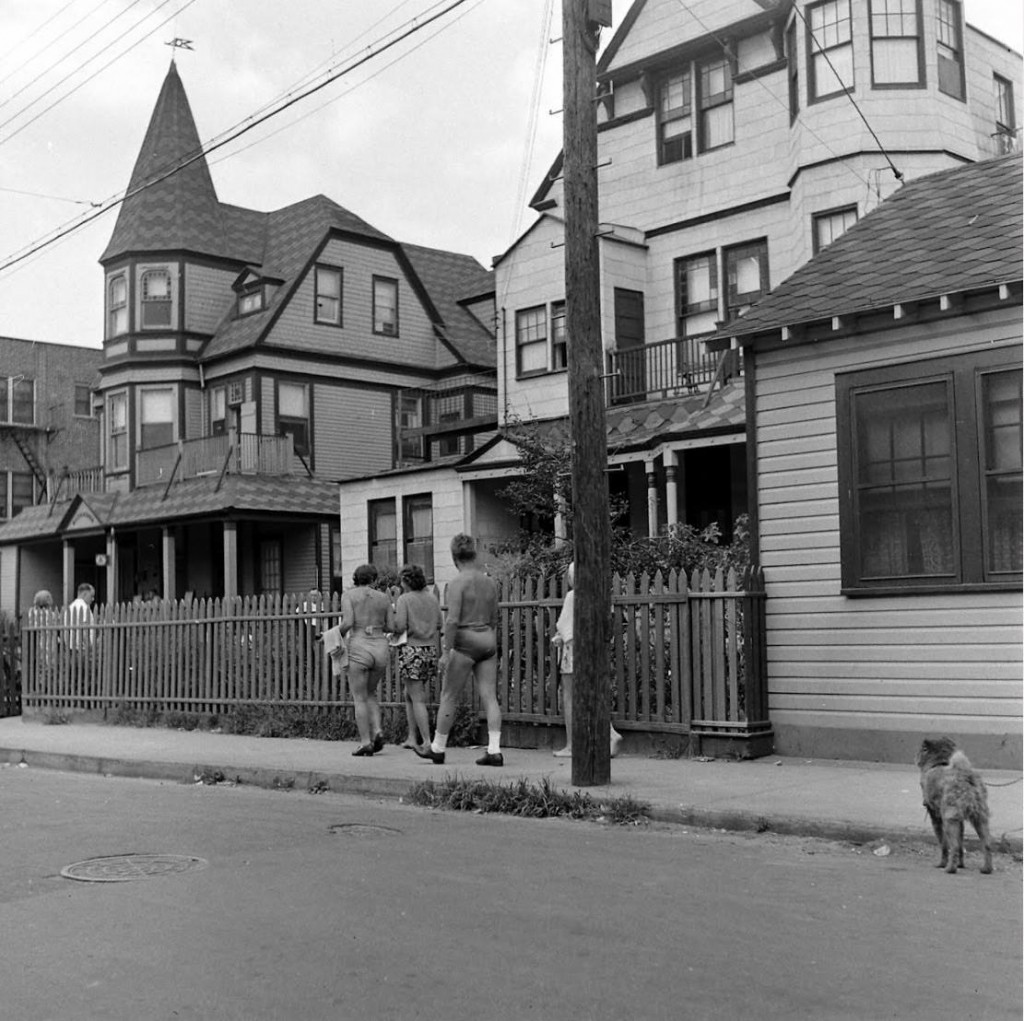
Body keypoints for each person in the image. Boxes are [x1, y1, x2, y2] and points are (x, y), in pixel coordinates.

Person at [418, 533, 503, 767]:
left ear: (454, 556)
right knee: (489, 696)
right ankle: (494, 750)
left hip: (465, 641)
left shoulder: (456, 583)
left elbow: (453, 620)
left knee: (449, 695)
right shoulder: (490, 582)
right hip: (487, 639)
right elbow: (494, 617)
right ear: (474, 554)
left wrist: (446, 651)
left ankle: (438, 747)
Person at [552, 562, 623, 759]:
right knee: (593, 694)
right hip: (595, 649)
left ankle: (572, 744)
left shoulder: (573, 596)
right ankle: (609, 733)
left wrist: (558, 636)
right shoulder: (601, 595)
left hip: (573, 651)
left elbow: (565, 626)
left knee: (570, 696)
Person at [339, 564, 394, 757]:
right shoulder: (383, 598)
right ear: (374, 578)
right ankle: (378, 730)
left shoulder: (349, 596)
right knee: (370, 692)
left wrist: (331, 634)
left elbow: (347, 622)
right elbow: (392, 626)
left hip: (359, 645)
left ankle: (365, 742)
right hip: (380, 646)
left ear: (355, 578)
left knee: (359, 697)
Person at [393, 564, 443, 753]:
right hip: (430, 649)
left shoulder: (404, 599)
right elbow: (439, 624)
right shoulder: (432, 598)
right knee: (410, 694)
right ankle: (411, 737)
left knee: (417, 697)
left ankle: (427, 742)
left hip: (411, 650)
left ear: (406, 581)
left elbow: (400, 626)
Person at [65, 582, 96, 651]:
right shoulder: (84, 608)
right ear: (85, 594)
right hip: (83, 648)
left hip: (71, 646)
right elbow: (85, 628)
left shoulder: (70, 607)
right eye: (91, 596)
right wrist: (88, 646)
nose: (93, 599)